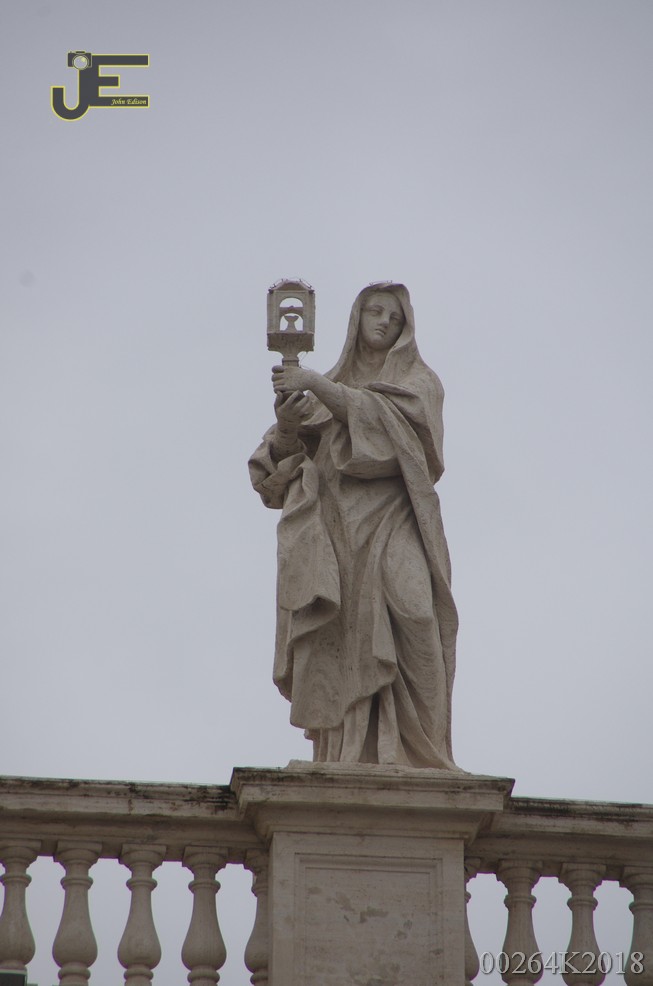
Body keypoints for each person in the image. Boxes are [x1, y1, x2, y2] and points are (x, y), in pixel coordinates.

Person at [249, 283, 458, 768]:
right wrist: (288, 427)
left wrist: (315, 384)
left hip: (395, 519)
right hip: (336, 530)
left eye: (395, 317)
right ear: (356, 319)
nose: (384, 322)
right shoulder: (322, 388)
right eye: (375, 311)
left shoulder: (420, 382)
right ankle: (345, 754)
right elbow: (273, 477)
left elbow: (400, 440)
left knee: (416, 615)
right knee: (341, 634)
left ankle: (423, 754)